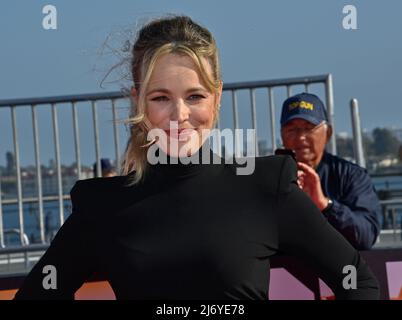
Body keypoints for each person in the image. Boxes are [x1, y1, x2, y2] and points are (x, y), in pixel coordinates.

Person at [14, 16, 379, 300]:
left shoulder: (265, 186)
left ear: (217, 98)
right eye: (160, 98)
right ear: (137, 101)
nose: (179, 115)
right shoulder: (103, 208)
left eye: (194, 96)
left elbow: (358, 280)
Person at [280, 92, 381, 250]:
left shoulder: (351, 176)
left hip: (341, 272)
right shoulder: (269, 178)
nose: (300, 137)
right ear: (282, 135)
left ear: (328, 133)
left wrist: (325, 205)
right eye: (292, 130)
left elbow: (366, 235)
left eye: (309, 128)